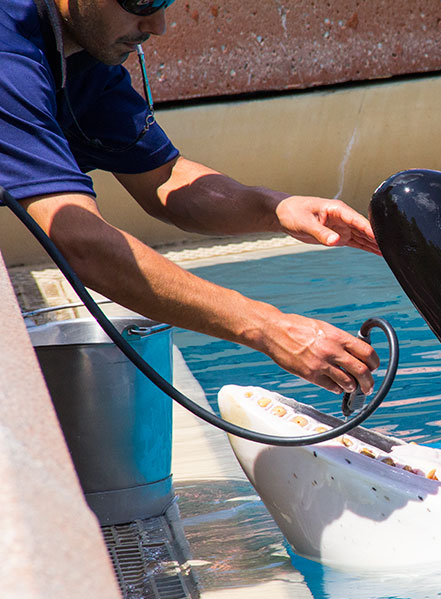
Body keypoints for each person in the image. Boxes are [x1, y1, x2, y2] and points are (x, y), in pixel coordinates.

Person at [0, 0, 380, 395]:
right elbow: (83, 242)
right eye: (141, 1)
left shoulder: (78, 53)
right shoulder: (8, 58)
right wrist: (267, 327)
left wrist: (276, 208)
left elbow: (165, 178)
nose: (157, 25)